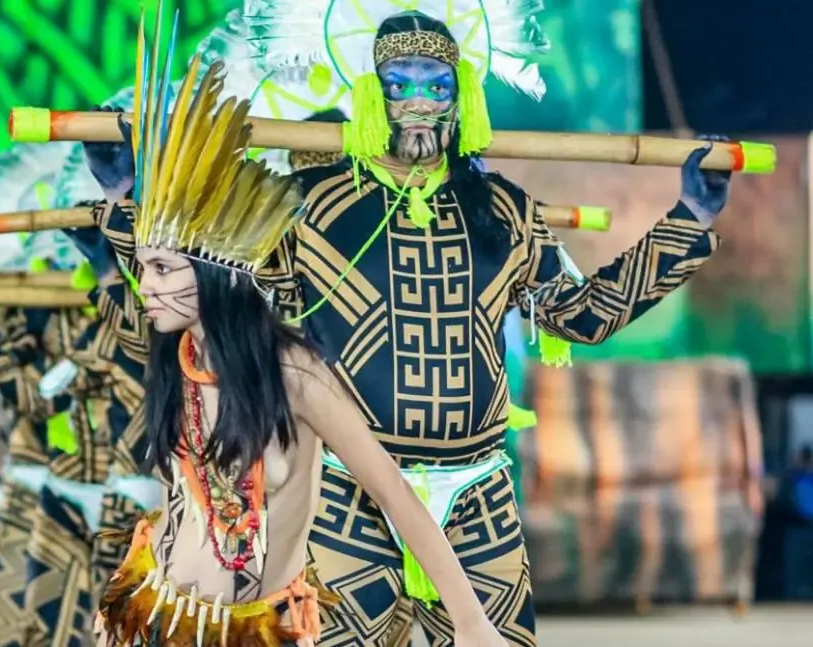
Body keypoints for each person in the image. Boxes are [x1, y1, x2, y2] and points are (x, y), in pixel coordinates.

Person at [83, 9, 733, 645]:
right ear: (373, 94)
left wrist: (689, 219)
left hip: (478, 489)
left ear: (461, 95)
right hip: (347, 493)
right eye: (400, 84)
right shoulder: (314, 205)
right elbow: (211, 274)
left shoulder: (505, 209)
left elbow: (578, 314)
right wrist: (127, 199)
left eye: (436, 83)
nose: (418, 100)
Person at [92, 47, 503, 647]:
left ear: (214, 274)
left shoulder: (295, 374)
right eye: (141, 268)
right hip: (159, 618)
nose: (146, 285)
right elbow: (180, 500)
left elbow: (393, 493)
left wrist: (471, 623)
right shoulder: (179, 359)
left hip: (260, 631)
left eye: (160, 269)